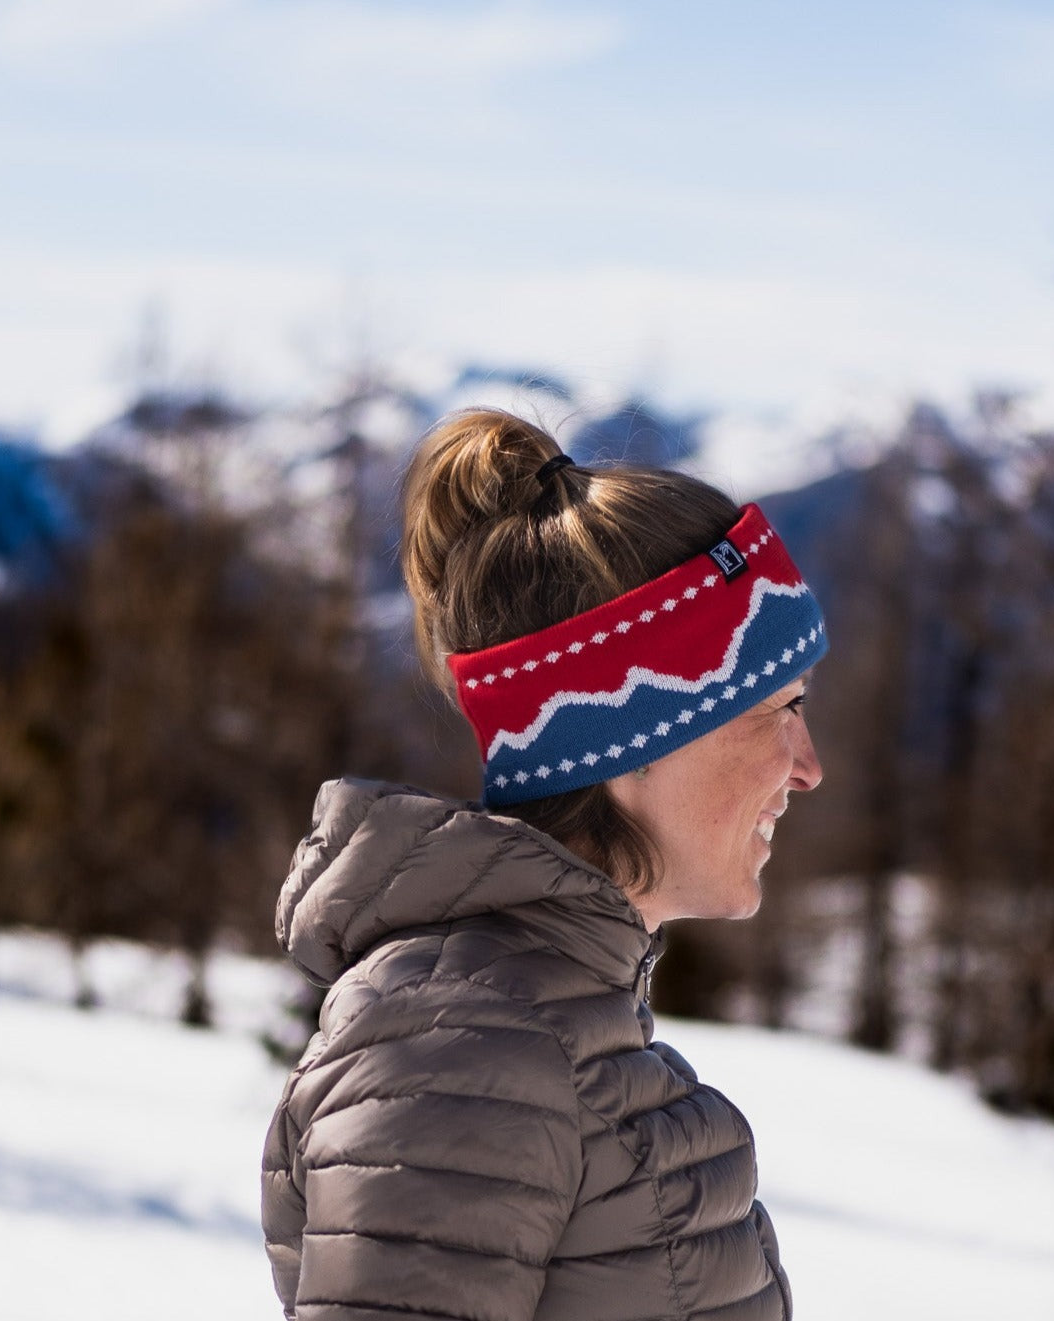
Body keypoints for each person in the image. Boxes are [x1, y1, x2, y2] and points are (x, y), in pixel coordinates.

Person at [261, 408, 826, 1321]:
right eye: (780, 707)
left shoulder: (541, 1026)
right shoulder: (461, 1047)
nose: (807, 767)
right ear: (638, 731)